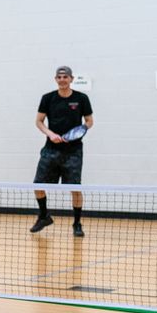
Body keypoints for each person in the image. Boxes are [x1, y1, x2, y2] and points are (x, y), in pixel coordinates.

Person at [30, 66, 94, 237]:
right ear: (55, 79)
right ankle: (44, 216)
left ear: (71, 79)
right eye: (59, 77)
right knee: (38, 185)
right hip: (50, 149)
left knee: (75, 188)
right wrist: (50, 134)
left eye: (66, 77)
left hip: (73, 151)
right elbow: (39, 121)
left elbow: (89, 121)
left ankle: (77, 223)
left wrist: (76, 133)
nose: (62, 79)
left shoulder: (81, 98)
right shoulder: (47, 98)